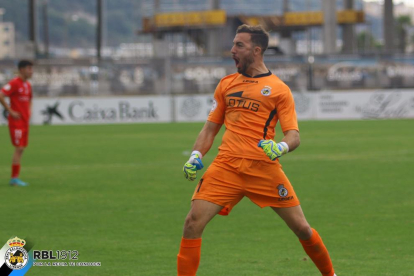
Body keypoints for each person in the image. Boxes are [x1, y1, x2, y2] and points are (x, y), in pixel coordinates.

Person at [178, 25, 336, 276]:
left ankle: (331, 275)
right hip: (226, 166)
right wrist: (196, 155)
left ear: (257, 50)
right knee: (192, 223)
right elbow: (209, 129)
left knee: (303, 229)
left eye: (239, 45)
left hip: (263, 168)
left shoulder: (279, 89)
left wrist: (279, 147)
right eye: (233, 44)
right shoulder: (226, 84)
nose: (232, 50)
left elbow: (294, 135)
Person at [0, 60, 34, 186]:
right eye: (29, 68)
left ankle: (15, 177)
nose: (31, 71)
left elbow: (30, 99)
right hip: (16, 122)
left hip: (24, 121)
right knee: (19, 147)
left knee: (22, 148)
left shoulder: (28, 85)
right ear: (22, 70)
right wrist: (10, 111)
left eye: (31, 68)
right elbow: (1, 94)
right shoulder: (15, 83)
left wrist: (29, 112)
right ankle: (14, 178)